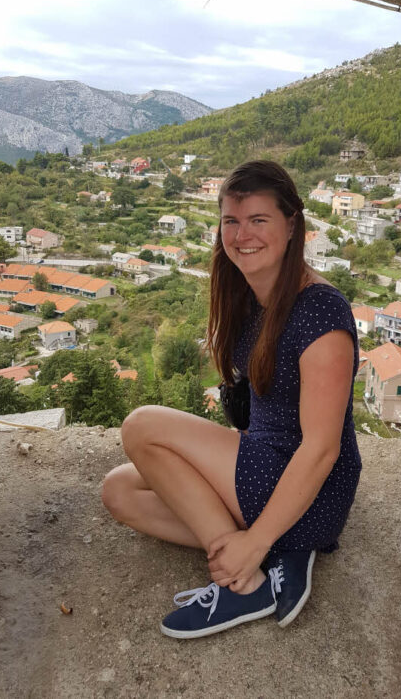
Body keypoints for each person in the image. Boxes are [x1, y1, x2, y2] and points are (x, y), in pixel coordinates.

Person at [101, 160, 362, 639]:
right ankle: (277, 551)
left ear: (291, 225)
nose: (243, 235)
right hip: (266, 462)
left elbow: (322, 448)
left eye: (259, 220)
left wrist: (253, 540)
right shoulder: (248, 295)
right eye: (231, 221)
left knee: (141, 427)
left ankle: (246, 573)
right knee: (120, 492)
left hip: (311, 485)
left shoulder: (321, 316)